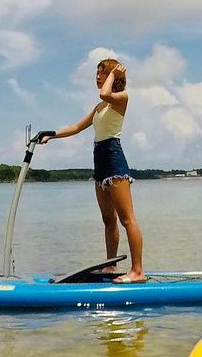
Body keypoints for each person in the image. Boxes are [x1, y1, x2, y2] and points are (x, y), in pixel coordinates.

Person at [38, 59, 145, 283]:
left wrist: (114, 74)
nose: (97, 77)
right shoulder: (99, 108)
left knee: (127, 219)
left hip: (114, 159)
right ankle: (111, 264)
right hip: (100, 161)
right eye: (97, 73)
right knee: (108, 219)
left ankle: (137, 271)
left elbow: (104, 93)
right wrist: (51, 135)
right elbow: (77, 127)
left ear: (113, 76)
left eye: (102, 73)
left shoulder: (121, 98)